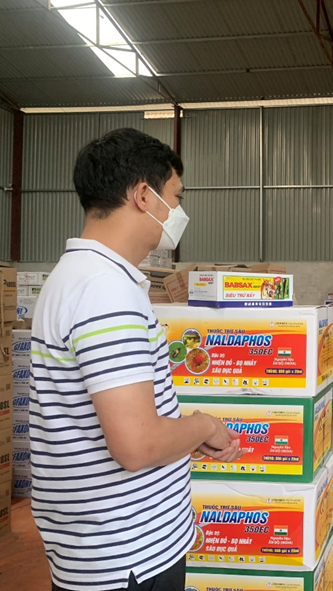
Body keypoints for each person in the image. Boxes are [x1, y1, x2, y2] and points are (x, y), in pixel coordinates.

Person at [29, 128, 245, 591]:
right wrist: (203, 426)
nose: (179, 211)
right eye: (176, 197)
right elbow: (136, 444)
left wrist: (179, 438)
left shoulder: (76, 276)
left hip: (104, 547)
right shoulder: (106, 291)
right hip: (128, 557)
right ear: (144, 196)